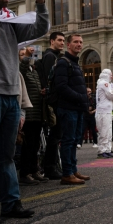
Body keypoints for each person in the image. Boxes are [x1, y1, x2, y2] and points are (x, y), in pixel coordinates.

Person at [0, 0, 48, 220]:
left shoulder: (10, 22)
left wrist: (41, 2)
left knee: (6, 155)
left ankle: (11, 204)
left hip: (10, 94)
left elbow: (40, 29)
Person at [52, 34, 90, 186]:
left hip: (77, 108)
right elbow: (61, 87)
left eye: (81, 42)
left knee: (74, 141)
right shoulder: (63, 62)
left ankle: (73, 170)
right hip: (68, 108)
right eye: (75, 42)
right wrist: (79, 97)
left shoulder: (74, 63)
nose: (79, 44)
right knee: (68, 141)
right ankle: (67, 173)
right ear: (68, 45)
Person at [38, 31, 66, 180]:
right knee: (54, 136)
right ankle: (50, 167)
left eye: (63, 40)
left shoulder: (55, 56)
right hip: (53, 101)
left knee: (56, 135)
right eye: (59, 40)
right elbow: (49, 79)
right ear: (51, 41)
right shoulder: (50, 57)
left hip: (54, 99)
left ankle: (52, 166)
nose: (62, 43)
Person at [18, 54, 49, 185]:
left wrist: (42, 91)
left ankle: (34, 170)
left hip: (37, 113)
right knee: (28, 145)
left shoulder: (34, 71)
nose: (28, 58)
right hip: (29, 113)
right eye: (23, 55)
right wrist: (26, 58)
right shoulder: (22, 70)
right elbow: (23, 67)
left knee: (36, 144)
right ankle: (25, 173)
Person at [95, 69, 113, 159]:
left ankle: (107, 149)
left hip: (106, 111)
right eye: (111, 74)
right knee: (104, 132)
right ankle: (102, 151)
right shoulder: (104, 83)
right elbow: (111, 95)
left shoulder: (105, 84)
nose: (112, 76)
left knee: (108, 132)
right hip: (103, 111)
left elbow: (112, 95)